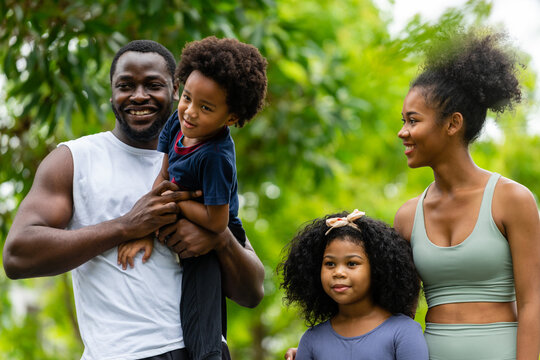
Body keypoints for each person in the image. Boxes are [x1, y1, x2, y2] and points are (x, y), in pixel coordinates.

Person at [3, 39, 265, 360]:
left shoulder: (203, 160)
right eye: (126, 85)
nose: (139, 95)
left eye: (153, 85)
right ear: (112, 92)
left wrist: (218, 239)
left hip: (198, 351)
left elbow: (252, 291)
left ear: (174, 88)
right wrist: (127, 226)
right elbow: (17, 256)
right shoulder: (73, 160)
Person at [117, 36, 268, 360]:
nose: (190, 112)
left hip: (217, 224)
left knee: (201, 292)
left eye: (206, 107)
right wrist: (144, 229)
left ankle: (210, 353)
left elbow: (218, 222)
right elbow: (163, 176)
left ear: (230, 118)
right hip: (186, 211)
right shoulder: (178, 122)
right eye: (187, 98)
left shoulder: (215, 156)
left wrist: (179, 203)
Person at [394, 29, 540, 359]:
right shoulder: (407, 216)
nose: (403, 132)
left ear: (452, 123)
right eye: (403, 121)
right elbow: (394, 317)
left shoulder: (512, 200)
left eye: (413, 120)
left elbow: (533, 303)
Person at [279, 210, 428, 360]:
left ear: (377, 268)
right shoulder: (311, 340)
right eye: (329, 263)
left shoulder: (403, 332)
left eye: (351, 263)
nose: (338, 272)